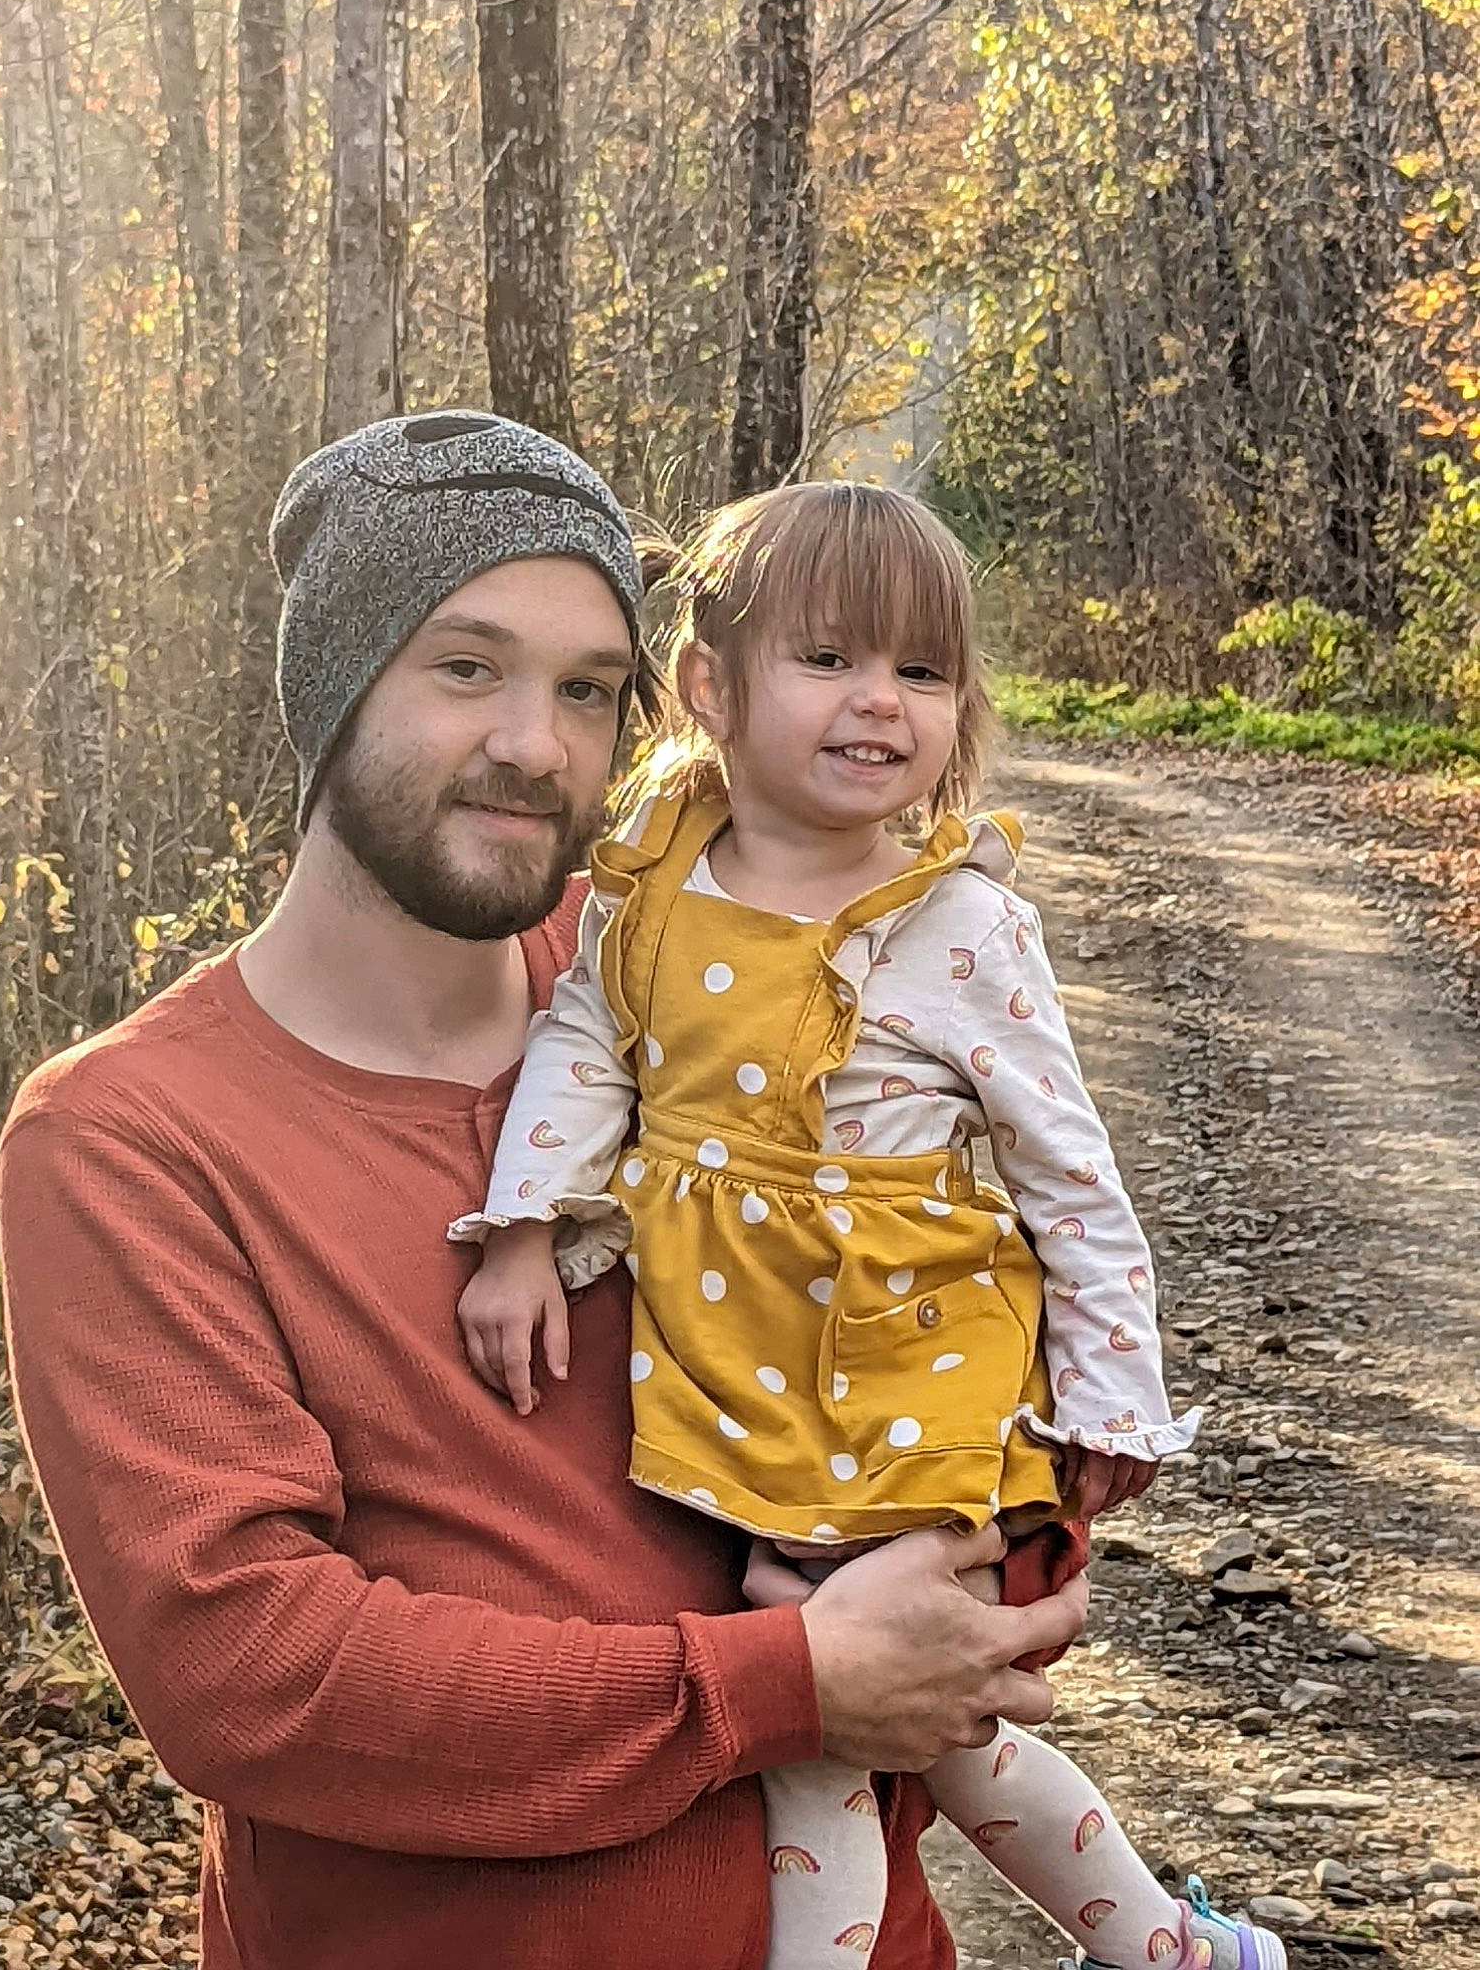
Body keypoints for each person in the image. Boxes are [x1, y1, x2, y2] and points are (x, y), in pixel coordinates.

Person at [0, 413, 1091, 1970]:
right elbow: (249, 1671)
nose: (537, 743)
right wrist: (789, 1682)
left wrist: (1000, 1548)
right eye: (466, 668)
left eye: (589, 690)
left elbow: (944, 1302)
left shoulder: (686, 981)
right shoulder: (132, 1137)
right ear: (332, 688)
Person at [454, 482, 1286, 1970]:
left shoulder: (956, 925)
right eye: (829, 658)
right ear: (710, 687)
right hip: (737, 1381)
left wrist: (1111, 1411)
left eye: (920, 671)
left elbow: (1070, 1182)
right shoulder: (651, 887)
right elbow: (587, 1053)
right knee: (937, 1732)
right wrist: (526, 1228)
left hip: (907, 1382)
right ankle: (1174, 1951)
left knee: (827, 1730)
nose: (879, 703)